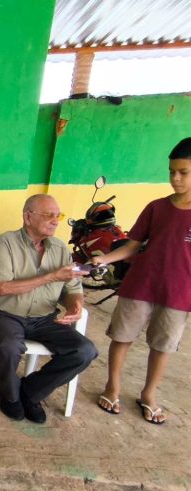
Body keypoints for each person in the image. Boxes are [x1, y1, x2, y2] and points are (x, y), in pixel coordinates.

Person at [92, 137, 191, 424]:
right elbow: (132, 245)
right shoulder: (156, 207)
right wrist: (105, 259)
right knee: (122, 336)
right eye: (172, 171)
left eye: (183, 172)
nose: (175, 178)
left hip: (179, 291)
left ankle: (149, 394)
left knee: (163, 344)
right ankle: (113, 386)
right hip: (141, 284)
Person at [0, 194, 98, 424]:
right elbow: (3, 288)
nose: (55, 221)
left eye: (58, 215)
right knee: (8, 346)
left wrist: (74, 304)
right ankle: (9, 394)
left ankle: (29, 392)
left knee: (85, 351)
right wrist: (52, 276)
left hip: (45, 318)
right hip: (7, 314)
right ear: (28, 217)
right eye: (49, 215)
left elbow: (71, 288)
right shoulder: (5, 242)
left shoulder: (60, 248)